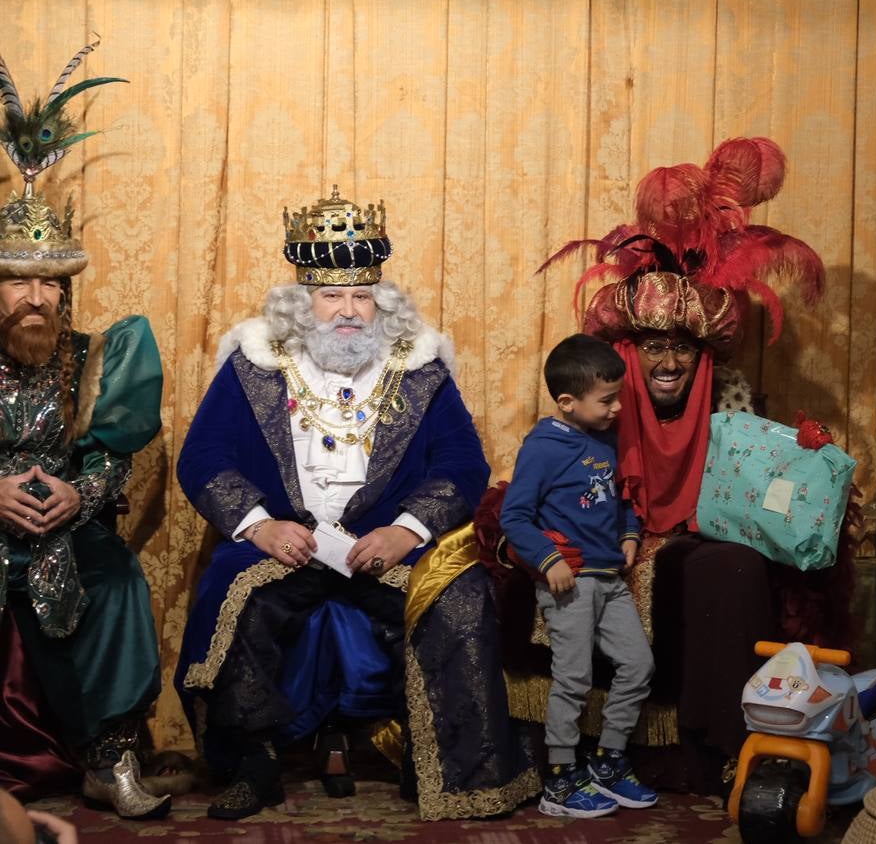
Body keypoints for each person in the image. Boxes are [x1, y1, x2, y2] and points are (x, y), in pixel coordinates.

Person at [507, 138, 858, 793]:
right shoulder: (600, 409)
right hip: (614, 544)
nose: (668, 364)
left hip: (697, 531)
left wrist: (804, 452)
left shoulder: (730, 405)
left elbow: (759, 476)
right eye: (654, 348)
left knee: (732, 566)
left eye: (682, 350)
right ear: (630, 352)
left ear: (704, 355)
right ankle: (576, 761)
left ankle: (729, 742)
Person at [175, 187, 537, 820]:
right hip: (288, 541)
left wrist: (406, 529)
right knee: (237, 601)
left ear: (381, 303)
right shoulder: (255, 363)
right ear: (302, 301)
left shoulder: (419, 366)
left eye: (361, 296)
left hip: (382, 543)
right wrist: (259, 527)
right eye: (331, 295)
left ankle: (448, 770)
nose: (347, 310)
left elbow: (462, 464)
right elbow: (203, 459)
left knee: (457, 597)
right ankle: (251, 766)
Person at [0, 42, 169, 818]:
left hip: (68, 523)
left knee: (115, 577)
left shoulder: (105, 353)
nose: (33, 298)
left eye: (48, 282)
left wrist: (79, 492)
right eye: (15, 282)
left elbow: (112, 451)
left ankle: (109, 760)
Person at [499, 333, 658, 818]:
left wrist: (630, 533)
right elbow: (515, 517)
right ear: (567, 403)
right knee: (574, 678)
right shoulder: (543, 448)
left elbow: (620, 500)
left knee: (638, 666)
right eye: (606, 401)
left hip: (609, 578)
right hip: (570, 583)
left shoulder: (606, 441)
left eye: (618, 399)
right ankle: (561, 777)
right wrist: (550, 561)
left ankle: (608, 760)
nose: (615, 409)